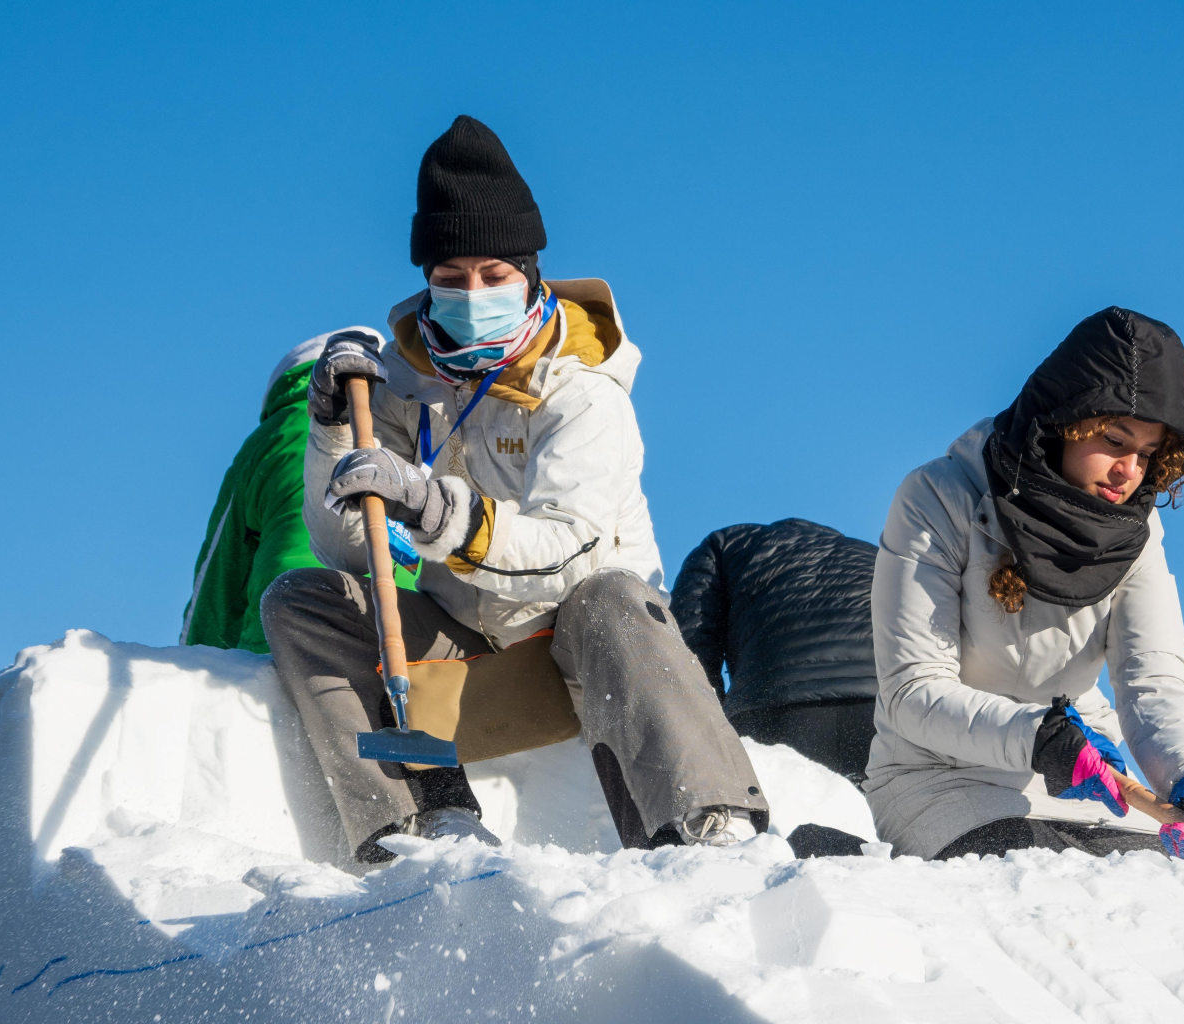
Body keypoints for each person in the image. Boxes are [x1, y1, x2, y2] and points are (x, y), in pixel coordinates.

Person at [260, 115, 768, 864]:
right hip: (471, 661)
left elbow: (567, 550)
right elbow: (349, 548)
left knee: (609, 597)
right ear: (426, 285)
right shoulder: (408, 393)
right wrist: (335, 430)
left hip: (594, 660)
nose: (473, 293)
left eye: (494, 275)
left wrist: (436, 509)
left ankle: (710, 828)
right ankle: (422, 821)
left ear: (529, 276)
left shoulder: (584, 394)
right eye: (451, 278)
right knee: (304, 599)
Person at [861, 306, 1184, 865]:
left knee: (1159, 901)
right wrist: (1041, 737)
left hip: (1088, 778)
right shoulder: (940, 498)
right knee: (1032, 897)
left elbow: (1151, 678)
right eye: (1114, 440)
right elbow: (913, 691)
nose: (1129, 471)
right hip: (940, 777)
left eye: (1148, 453)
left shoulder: (1138, 532)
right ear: (1065, 419)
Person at [182, 334, 416, 653]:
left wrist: (196, 659)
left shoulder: (270, 439)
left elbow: (222, 573)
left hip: (281, 642)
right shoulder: (410, 428)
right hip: (406, 645)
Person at [672, 518, 877, 782]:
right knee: (887, 821)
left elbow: (690, 636)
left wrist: (708, 721)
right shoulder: (873, 553)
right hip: (881, 706)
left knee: (781, 818)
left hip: (773, 703)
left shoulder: (724, 543)